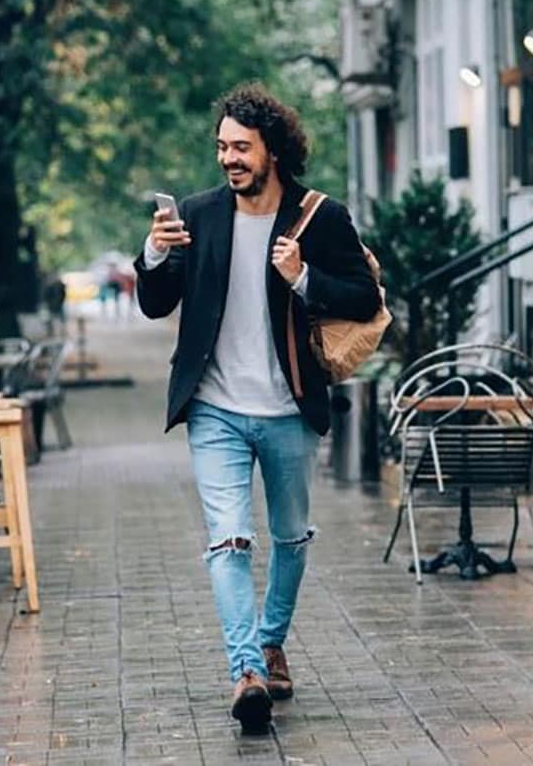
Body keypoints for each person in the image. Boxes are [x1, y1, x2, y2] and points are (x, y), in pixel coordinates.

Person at [135, 83, 381, 732]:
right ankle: (246, 670)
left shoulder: (320, 218)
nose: (229, 159)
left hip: (288, 408)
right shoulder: (200, 214)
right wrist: (156, 254)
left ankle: (272, 641)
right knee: (229, 540)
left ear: (274, 149)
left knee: (291, 538)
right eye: (222, 147)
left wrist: (303, 276)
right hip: (214, 407)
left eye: (241, 147)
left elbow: (363, 296)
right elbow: (157, 303)